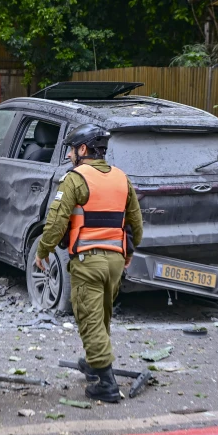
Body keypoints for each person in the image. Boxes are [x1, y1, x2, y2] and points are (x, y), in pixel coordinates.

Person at [35, 123, 143, 403]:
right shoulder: (122, 178)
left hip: (87, 260)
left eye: (72, 149)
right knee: (101, 314)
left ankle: (106, 383)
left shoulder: (75, 179)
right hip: (115, 261)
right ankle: (95, 363)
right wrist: (128, 252)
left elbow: (57, 222)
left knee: (90, 318)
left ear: (83, 149)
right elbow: (136, 225)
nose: (70, 155)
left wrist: (44, 250)